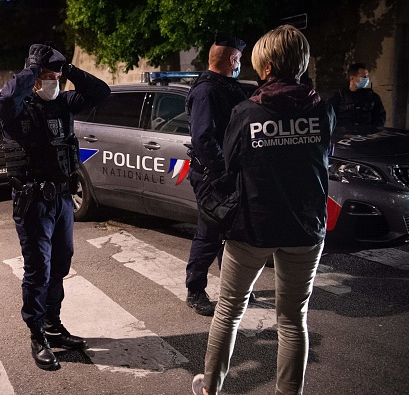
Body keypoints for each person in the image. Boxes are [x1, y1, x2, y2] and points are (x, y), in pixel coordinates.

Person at [192, 25, 334, 395]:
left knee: (229, 310)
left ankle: (210, 387)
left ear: (267, 67)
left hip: (253, 225)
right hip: (306, 226)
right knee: (292, 320)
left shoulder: (246, 112)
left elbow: (229, 163)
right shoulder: (323, 110)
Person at [0, 44, 110, 371]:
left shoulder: (63, 103)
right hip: (33, 204)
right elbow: (5, 99)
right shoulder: (17, 110)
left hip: (61, 200)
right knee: (38, 271)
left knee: (60, 265)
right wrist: (34, 69)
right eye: (47, 78)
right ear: (33, 80)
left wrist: (68, 70)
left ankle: (53, 324)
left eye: (56, 78)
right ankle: (37, 334)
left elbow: (100, 92)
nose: (53, 83)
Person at [184, 33, 248, 316]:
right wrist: (223, 170)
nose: (240, 64)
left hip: (228, 173)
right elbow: (202, 138)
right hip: (213, 175)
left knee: (231, 232)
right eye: (239, 59)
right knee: (210, 231)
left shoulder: (226, 87)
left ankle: (232, 287)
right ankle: (195, 290)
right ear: (232, 59)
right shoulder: (207, 90)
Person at [329, 62, 386, 132]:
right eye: (364, 77)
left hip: (366, 137)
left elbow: (380, 118)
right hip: (343, 137)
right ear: (352, 78)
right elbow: (330, 117)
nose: (367, 79)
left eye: (367, 76)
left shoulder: (372, 97)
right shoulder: (338, 97)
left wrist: (372, 131)